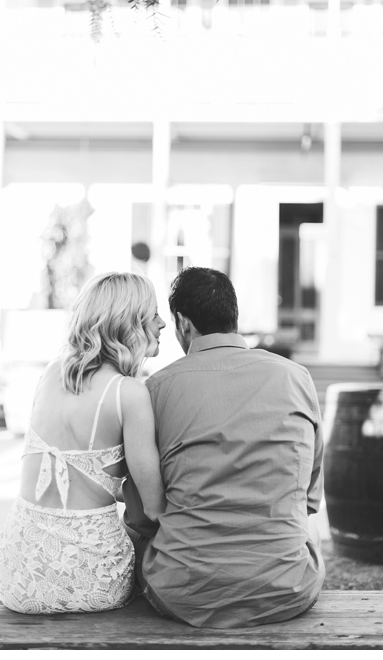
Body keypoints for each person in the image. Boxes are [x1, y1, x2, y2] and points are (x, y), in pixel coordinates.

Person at [122, 266, 325, 628]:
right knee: (308, 529)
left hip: (184, 594)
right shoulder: (297, 377)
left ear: (183, 323)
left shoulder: (154, 390)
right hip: (288, 589)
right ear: (233, 316)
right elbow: (309, 498)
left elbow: (142, 516)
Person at [0, 272, 167, 614]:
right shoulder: (129, 393)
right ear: (129, 321)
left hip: (17, 575)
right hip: (92, 578)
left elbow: (82, 474)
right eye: (154, 314)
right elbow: (154, 508)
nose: (162, 324)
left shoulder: (52, 372)